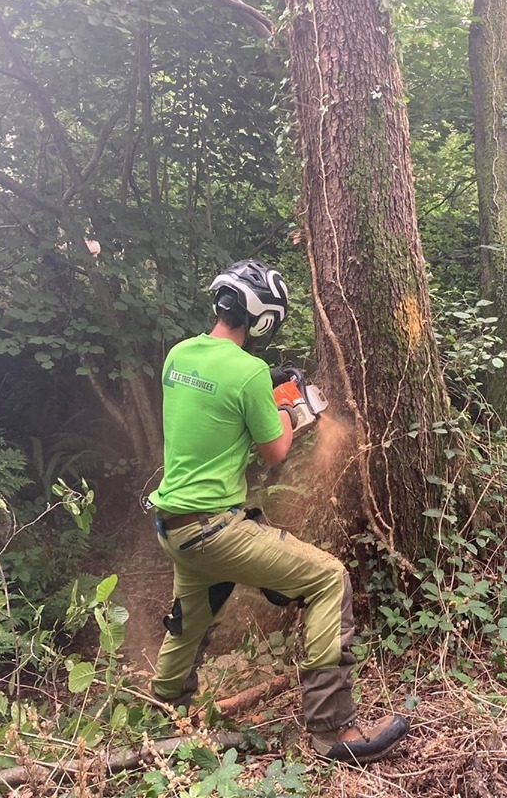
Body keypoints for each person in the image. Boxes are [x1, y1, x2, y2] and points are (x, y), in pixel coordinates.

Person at [148, 260, 409, 764]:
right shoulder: (248, 374)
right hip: (214, 528)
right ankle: (332, 731)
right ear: (262, 318)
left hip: (173, 526)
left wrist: (263, 387)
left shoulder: (178, 355)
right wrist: (290, 409)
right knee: (329, 579)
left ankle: (161, 719)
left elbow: (211, 399)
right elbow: (275, 452)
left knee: (190, 620)